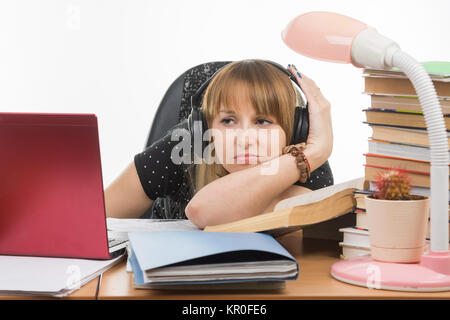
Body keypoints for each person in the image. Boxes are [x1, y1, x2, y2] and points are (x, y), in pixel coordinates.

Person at [104, 59, 333, 229]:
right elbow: (94, 219)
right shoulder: (185, 145)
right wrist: (314, 153)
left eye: (263, 121)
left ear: (294, 131)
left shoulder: (308, 161)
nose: (244, 139)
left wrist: (308, 157)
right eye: (228, 121)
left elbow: (210, 211)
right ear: (207, 130)